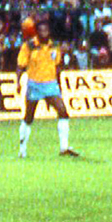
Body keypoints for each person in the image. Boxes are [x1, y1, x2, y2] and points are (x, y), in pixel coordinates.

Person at [15, 20, 79, 159]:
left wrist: (59, 84)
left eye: (46, 30)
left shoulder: (54, 46)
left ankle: (64, 147)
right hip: (35, 84)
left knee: (63, 111)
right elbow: (20, 66)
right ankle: (22, 149)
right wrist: (18, 83)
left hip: (50, 84)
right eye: (41, 31)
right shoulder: (29, 46)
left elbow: (57, 67)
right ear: (37, 32)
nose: (44, 33)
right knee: (29, 117)